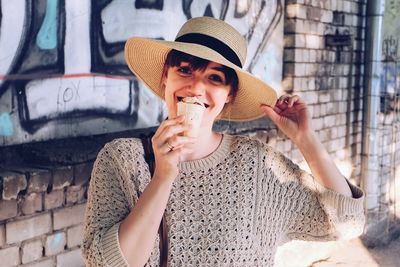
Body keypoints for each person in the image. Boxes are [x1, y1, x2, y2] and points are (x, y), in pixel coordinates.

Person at [82, 16, 365, 267]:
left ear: (229, 94)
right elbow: (106, 263)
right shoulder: (121, 159)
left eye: (215, 78)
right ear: (164, 77)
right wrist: (163, 177)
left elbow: (346, 223)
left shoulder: (256, 165)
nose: (196, 87)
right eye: (184, 69)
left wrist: (307, 140)